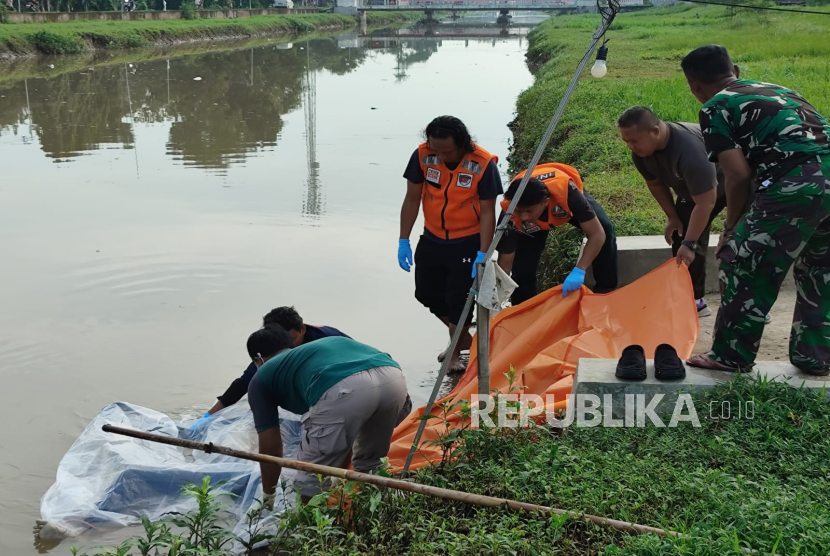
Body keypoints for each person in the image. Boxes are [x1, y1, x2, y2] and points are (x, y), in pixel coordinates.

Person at [681, 44, 830, 375]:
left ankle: (730, 355)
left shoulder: (715, 106)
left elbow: (738, 175)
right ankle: (815, 356)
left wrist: (732, 228)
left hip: (795, 187)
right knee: (821, 271)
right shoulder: (781, 91)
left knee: (742, 263)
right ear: (735, 69)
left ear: (694, 85)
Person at [246, 327, 409, 503]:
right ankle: (380, 517)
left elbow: (270, 448)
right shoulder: (315, 351)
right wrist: (338, 474)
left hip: (344, 388)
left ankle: (310, 529)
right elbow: (346, 431)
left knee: (309, 480)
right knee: (370, 464)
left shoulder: (261, 377)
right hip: (393, 378)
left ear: (258, 360)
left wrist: (268, 496)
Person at [397, 116, 503, 372]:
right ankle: (463, 338)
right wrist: (403, 239)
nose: (441, 156)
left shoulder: (482, 163)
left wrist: (483, 252)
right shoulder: (423, 155)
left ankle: (455, 353)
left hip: (467, 242)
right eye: (436, 150)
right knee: (425, 293)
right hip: (432, 237)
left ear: (463, 144)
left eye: (447, 151)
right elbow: (412, 199)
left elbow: (489, 212)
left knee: (459, 300)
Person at [618, 106, 726, 317]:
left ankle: (749, 306)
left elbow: (705, 203)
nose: (630, 147)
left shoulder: (689, 151)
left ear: (655, 131)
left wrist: (690, 243)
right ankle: (695, 300)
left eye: (634, 141)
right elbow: (656, 184)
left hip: (731, 184)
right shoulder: (641, 153)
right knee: (681, 236)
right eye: (626, 141)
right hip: (693, 191)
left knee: (739, 241)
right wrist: (673, 217)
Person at [495, 163, 618, 304]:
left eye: (529, 211)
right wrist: (498, 298)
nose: (523, 217)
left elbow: (597, 234)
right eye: (519, 211)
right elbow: (505, 262)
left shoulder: (569, 193)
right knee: (523, 269)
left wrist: (580, 270)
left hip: (563, 203)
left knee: (606, 230)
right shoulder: (510, 213)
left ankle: (605, 291)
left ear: (545, 202)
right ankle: (524, 309)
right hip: (532, 224)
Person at [204, 306, 350, 417]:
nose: (285, 348)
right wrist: (207, 418)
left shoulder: (324, 340)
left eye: (291, 340)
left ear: (302, 329)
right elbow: (243, 384)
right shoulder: (272, 346)